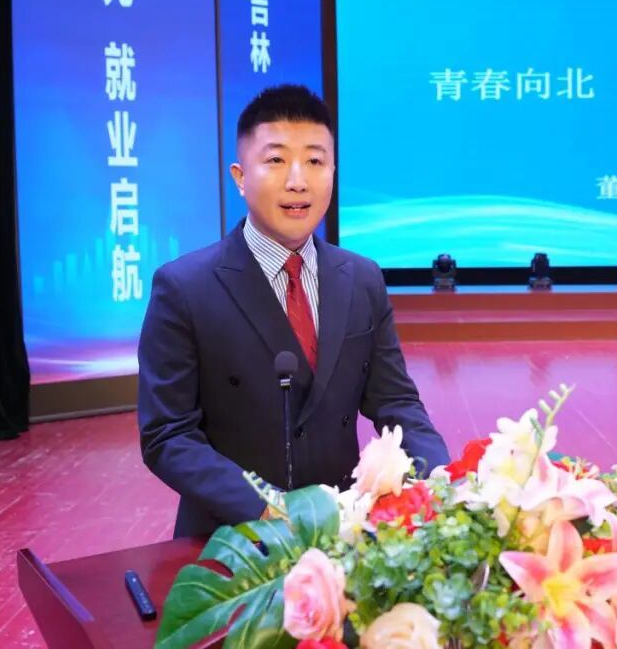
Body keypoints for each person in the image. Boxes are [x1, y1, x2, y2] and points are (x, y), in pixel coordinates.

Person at [137, 84, 450, 538]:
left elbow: (395, 401)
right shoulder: (185, 287)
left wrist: (439, 477)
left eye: (315, 162)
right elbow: (168, 435)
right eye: (277, 160)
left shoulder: (361, 278)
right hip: (230, 540)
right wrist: (269, 509)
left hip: (340, 534)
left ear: (333, 172)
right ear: (240, 176)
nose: (298, 181)